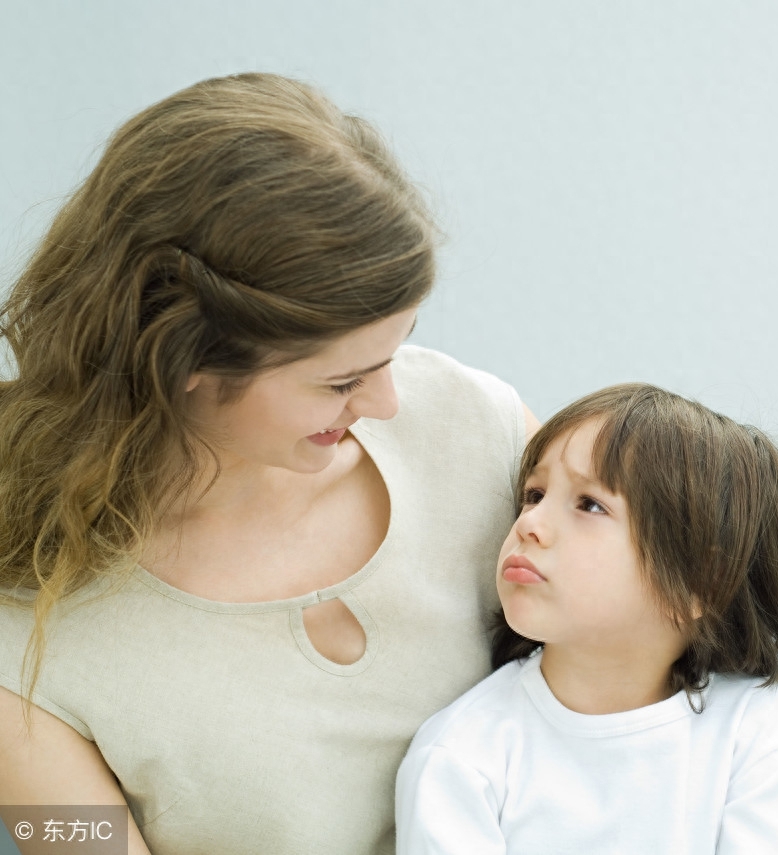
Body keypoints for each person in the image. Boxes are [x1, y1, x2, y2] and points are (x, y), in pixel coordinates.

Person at [0, 73, 537, 854]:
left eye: (394, 350)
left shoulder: (476, 431)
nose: (388, 403)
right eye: (340, 381)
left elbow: (688, 687)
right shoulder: (25, 634)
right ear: (183, 356)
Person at [395, 383, 778, 854]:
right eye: (534, 494)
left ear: (699, 581)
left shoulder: (759, 738)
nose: (529, 524)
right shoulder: (460, 756)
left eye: (590, 504)